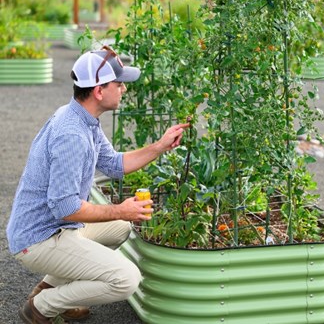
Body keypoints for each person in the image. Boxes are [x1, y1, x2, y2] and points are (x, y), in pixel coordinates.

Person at [6, 46, 190, 323]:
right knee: (126, 279)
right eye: (118, 83)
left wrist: (160, 147)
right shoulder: (72, 135)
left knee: (120, 229)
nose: (123, 89)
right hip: (39, 238)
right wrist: (120, 209)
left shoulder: (83, 120)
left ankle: (49, 289)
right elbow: (65, 207)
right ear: (99, 91)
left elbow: (115, 164)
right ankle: (42, 306)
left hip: (57, 229)